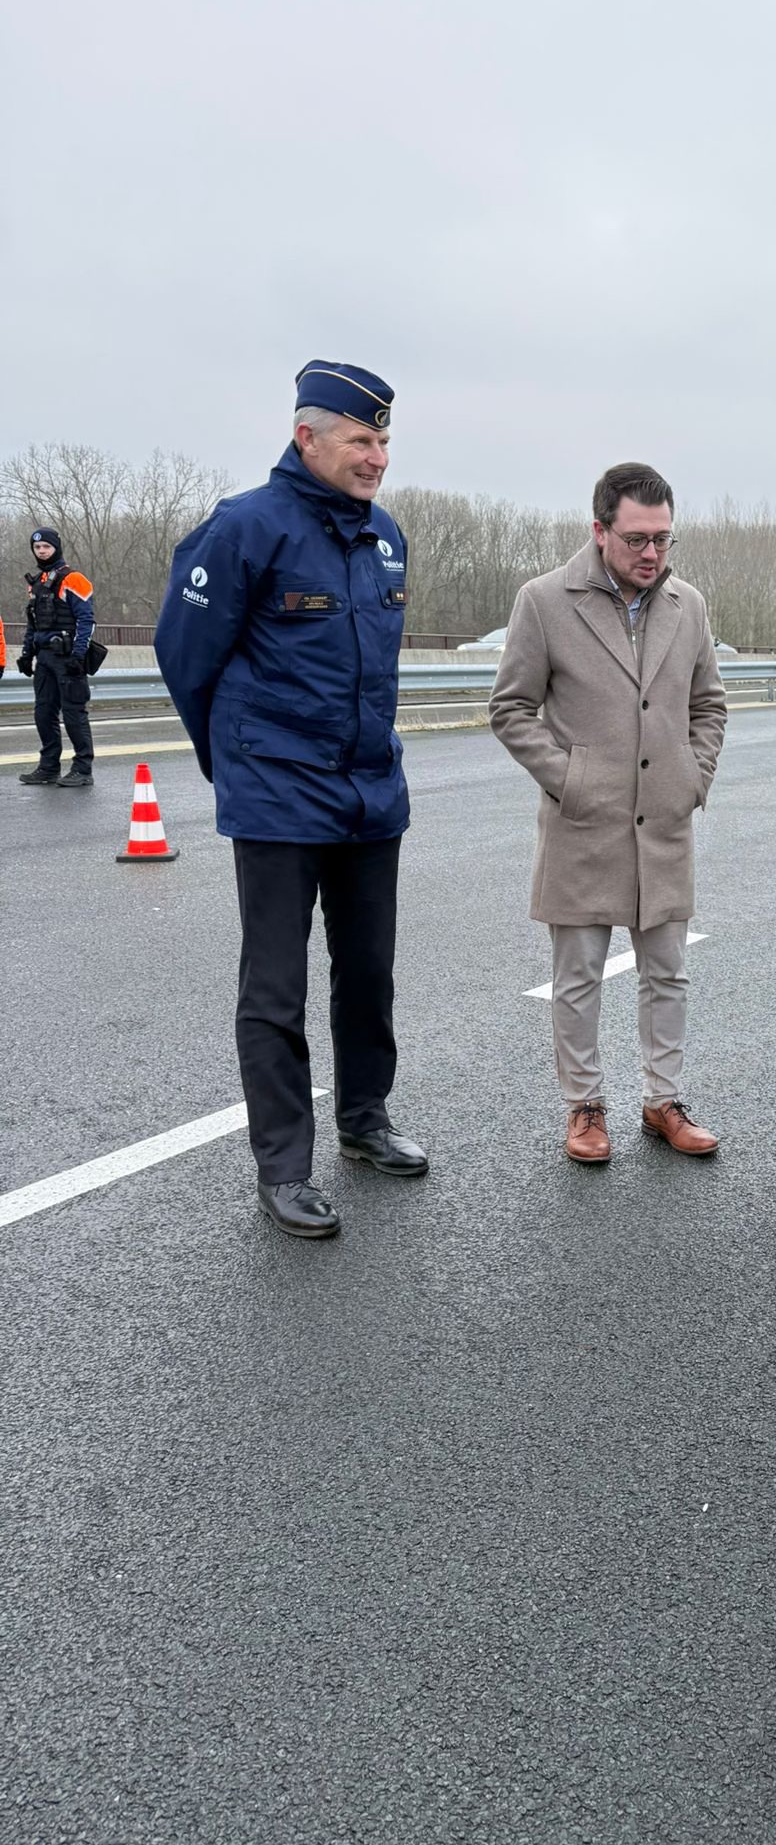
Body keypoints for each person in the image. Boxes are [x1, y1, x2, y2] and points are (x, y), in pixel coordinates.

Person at [155, 361, 428, 1240]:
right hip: (277, 798)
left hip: (369, 796)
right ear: (306, 437)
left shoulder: (386, 537)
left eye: (384, 440)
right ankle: (284, 1168)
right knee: (275, 988)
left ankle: (365, 1120)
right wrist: (233, 763)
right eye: (360, 439)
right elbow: (185, 657)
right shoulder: (246, 528)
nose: (377, 456)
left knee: (369, 972)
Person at [490, 461, 728, 1164]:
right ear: (599, 532)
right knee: (579, 977)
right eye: (636, 539)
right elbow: (509, 707)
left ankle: (664, 1100)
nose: (651, 553)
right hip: (582, 824)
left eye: (662, 539)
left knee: (668, 973)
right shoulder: (544, 601)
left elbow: (709, 702)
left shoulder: (690, 605)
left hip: (665, 820)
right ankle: (585, 1106)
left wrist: (693, 773)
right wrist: (570, 777)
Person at [17, 528, 95, 788]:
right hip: (45, 658)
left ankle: (83, 769)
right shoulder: (37, 582)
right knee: (43, 713)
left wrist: (78, 655)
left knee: (74, 714)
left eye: (46, 547)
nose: (41, 552)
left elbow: (86, 620)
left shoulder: (74, 579)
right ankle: (49, 767)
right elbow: (33, 623)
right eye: (37, 548)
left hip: (68, 657)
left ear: (56, 548)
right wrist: (27, 653)